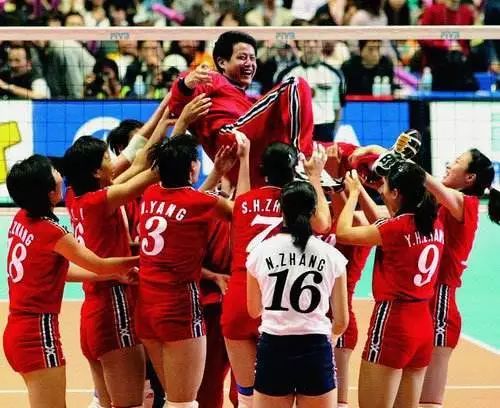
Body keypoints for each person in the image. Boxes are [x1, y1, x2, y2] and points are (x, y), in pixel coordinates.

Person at [3, 154, 137, 408]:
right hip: (37, 336)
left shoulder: (21, 218)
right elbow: (98, 263)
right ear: (49, 192)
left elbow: (60, 273)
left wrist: (113, 275)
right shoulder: (53, 232)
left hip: (16, 332)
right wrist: (147, 258)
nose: (60, 174)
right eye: (54, 172)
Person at [136, 132, 250, 408]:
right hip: (178, 309)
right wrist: (244, 161)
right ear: (192, 168)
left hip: (146, 308)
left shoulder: (151, 194)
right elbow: (243, 213)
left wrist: (216, 174)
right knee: (184, 403)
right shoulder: (200, 203)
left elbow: (186, 202)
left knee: (174, 398)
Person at [221, 141, 332, 408]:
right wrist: (315, 176)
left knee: (248, 397)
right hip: (280, 300)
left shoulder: (243, 203)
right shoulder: (297, 202)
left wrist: (244, 160)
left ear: (263, 170)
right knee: (284, 392)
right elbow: (324, 224)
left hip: (240, 296)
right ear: (294, 168)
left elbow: (242, 202)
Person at [336, 163, 444, 408]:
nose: (381, 190)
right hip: (423, 324)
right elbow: (384, 227)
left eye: (385, 187)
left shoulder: (395, 229)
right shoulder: (432, 223)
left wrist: (353, 194)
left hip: (393, 322)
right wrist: (368, 192)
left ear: (396, 193)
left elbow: (343, 233)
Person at [246, 180, 348, 408]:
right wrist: (327, 339)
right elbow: (341, 321)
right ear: (314, 211)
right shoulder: (332, 256)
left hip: (274, 349)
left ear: (281, 209)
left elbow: (253, 310)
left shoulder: (259, 252)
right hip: (315, 348)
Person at [168, 30, 315, 187]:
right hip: (230, 141)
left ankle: (296, 167)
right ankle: (301, 163)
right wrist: (186, 84)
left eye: (253, 58)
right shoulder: (213, 79)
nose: (250, 63)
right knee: (295, 84)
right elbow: (177, 104)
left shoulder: (251, 100)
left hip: (253, 165)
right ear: (222, 62)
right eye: (242, 57)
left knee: (333, 149)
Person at [420, 149, 500, 408]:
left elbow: (426, 181)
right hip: (422, 301)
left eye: (456, 162)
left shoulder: (467, 204)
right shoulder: (441, 205)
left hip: (441, 305)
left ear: (470, 177)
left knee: (428, 401)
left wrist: (396, 158)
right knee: (411, 393)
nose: (448, 165)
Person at [275, 38, 347, 142]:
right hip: (295, 128)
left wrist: (334, 131)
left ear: (322, 44)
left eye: (316, 41)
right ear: (299, 43)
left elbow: (338, 108)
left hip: (324, 129)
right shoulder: (285, 74)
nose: (311, 45)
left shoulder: (335, 74)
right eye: (307, 41)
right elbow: (278, 107)